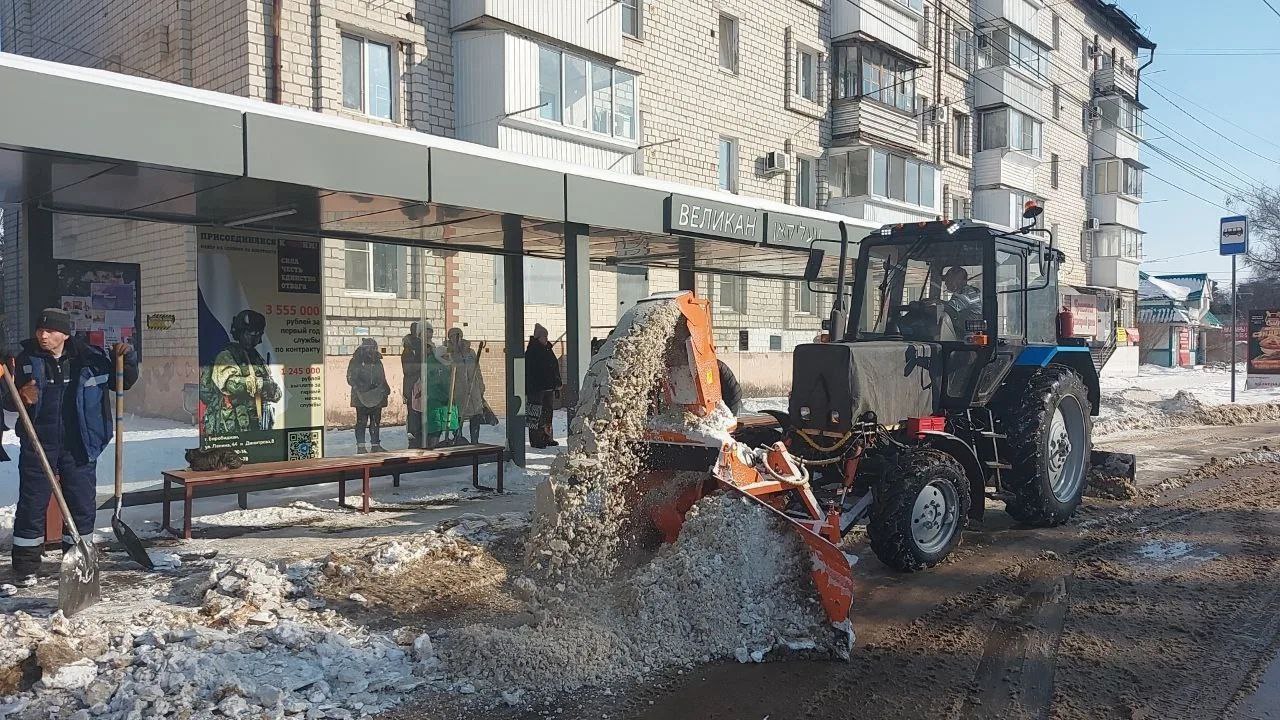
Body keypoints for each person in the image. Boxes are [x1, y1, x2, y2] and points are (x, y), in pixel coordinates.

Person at [3, 308, 137, 587]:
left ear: (64, 333)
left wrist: (127, 358)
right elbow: (6, 395)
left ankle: (78, 559)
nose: (43, 335)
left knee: (81, 502)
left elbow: (121, 380)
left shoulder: (91, 359)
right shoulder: (26, 359)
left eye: (50, 331)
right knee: (32, 502)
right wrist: (19, 398)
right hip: (39, 440)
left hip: (80, 443)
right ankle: (26, 567)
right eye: (40, 330)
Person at [201, 309, 281, 433]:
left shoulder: (256, 357)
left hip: (255, 422)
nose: (256, 339)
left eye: (258, 334)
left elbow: (275, 392)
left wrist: (268, 388)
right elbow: (232, 385)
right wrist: (263, 385)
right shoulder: (226, 356)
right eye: (252, 333)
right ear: (241, 332)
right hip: (230, 425)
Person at [443, 328, 488, 445]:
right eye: (453, 336)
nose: (456, 338)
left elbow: (477, 369)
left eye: (458, 335)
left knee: (475, 416)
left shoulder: (470, 352)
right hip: (459, 390)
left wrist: (481, 385)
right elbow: (447, 373)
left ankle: (475, 441)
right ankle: (458, 439)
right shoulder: (448, 353)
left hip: (473, 389)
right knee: (458, 416)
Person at [347, 338, 390, 453]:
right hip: (361, 396)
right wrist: (362, 388)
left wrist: (385, 388)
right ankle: (361, 447)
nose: (372, 350)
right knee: (362, 421)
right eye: (370, 348)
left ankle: (375, 445)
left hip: (377, 394)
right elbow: (350, 378)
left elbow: (382, 376)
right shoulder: (356, 360)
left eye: (374, 348)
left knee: (375, 421)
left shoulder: (378, 360)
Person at [524, 323, 562, 448]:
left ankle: (547, 437)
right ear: (538, 338)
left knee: (547, 413)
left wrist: (556, 383)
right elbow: (530, 372)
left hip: (548, 388)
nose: (546, 339)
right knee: (535, 414)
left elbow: (554, 367)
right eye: (544, 336)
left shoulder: (548, 350)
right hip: (536, 389)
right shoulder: (532, 352)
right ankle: (536, 439)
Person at [401, 322, 428, 449]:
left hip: (421, 383)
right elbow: (408, 369)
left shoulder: (421, 345)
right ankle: (414, 439)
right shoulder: (408, 348)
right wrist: (421, 367)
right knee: (413, 413)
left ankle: (421, 438)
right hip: (412, 384)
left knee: (422, 412)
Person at [942, 266, 983, 332]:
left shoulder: (969, 293)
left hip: (970, 335)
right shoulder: (960, 292)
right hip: (961, 330)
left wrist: (936, 304)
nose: (946, 283)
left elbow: (950, 308)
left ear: (960, 281)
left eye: (949, 279)